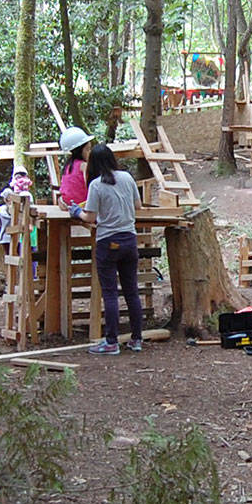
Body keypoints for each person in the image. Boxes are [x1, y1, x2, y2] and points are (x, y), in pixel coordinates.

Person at [70, 143, 143, 355]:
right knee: (132, 292)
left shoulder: (96, 185)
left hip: (108, 242)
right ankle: (136, 339)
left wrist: (76, 211)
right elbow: (137, 206)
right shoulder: (127, 177)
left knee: (110, 294)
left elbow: (90, 217)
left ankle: (111, 341)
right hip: (129, 240)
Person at [58, 126, 94, 208]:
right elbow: (90, 186)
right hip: (81, 203)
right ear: (80, 151)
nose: (90, 152)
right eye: (88, 149)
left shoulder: (68, 165)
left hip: (66, 203)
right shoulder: (84, 165)